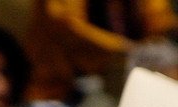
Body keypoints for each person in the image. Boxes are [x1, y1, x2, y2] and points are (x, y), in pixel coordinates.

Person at [25, 0, 178, 101]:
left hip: (120, 85)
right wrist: (123, 47)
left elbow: (160, 20)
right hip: (60, 93)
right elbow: (66, 22)